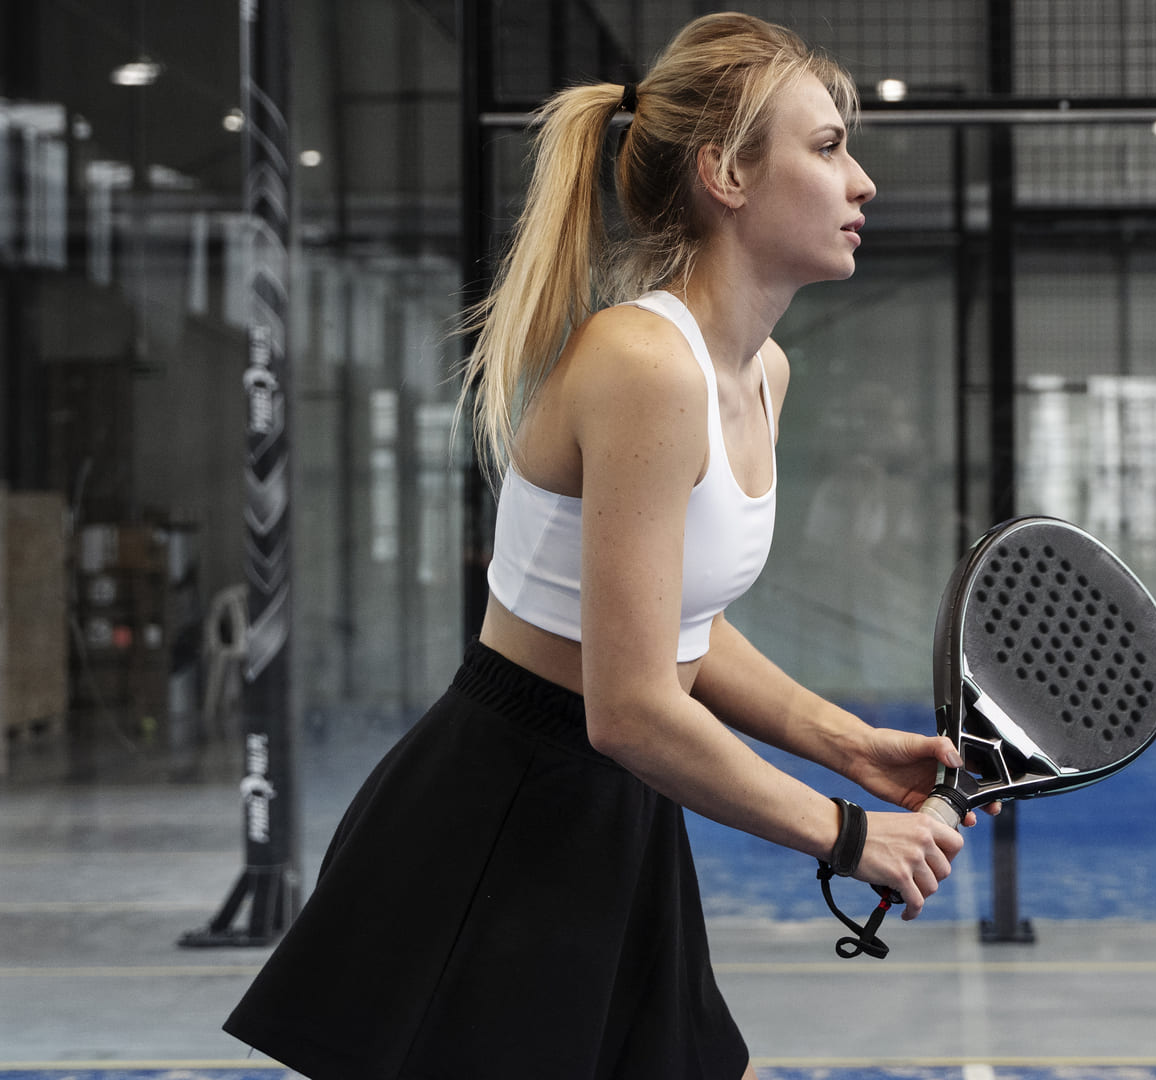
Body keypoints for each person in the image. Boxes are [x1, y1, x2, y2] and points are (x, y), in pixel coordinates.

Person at [224, 13, 981, 1079]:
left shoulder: (763, 375)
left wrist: (845, 743)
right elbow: (627, 708)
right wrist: (850, 834)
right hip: (506, 815)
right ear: (725, 173)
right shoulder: (643, 363)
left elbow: (680, 625)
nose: (862, 182)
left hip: (617, 808)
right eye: (826, 147)